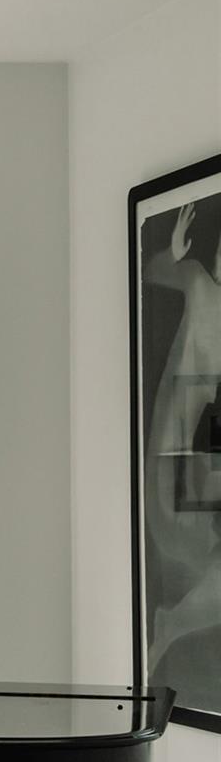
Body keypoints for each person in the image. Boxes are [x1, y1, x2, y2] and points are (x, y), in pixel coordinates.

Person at [142, 195, 221, 696]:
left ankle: (170, 624)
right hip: (174, 449)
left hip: (200, 452)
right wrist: (171, 252)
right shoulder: (199, 283)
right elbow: (152, 273)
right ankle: (169, 624)